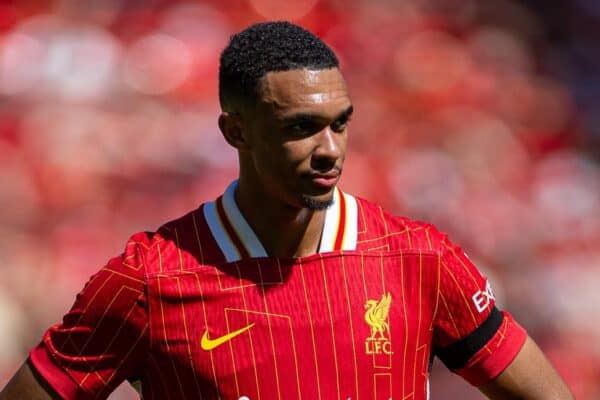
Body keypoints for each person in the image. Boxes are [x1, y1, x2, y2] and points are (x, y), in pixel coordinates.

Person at [0, 21, 573, 400]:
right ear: (236, 131)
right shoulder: (149, 280)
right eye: (299, 128)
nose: (329, 151)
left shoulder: (418, 258)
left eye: (339, 123)